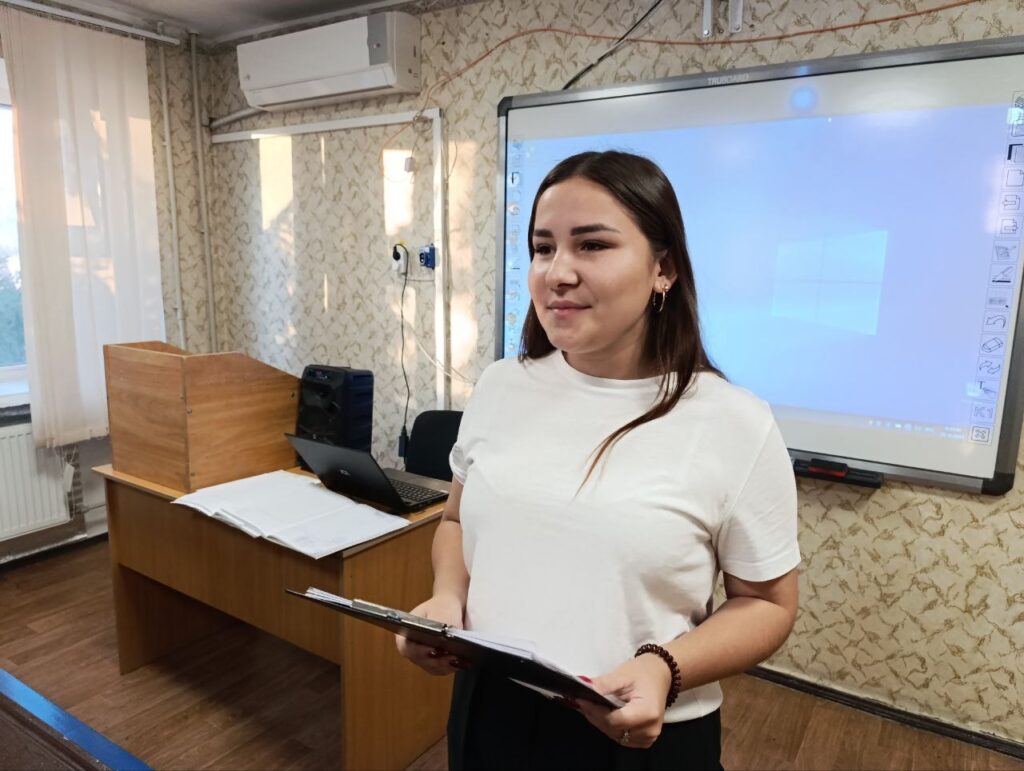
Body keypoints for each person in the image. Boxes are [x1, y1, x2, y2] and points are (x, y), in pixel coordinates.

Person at [396, 150, 800, 770]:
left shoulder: (733, 422)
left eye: (592, 245)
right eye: (543, 247)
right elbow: (455, 520)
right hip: (489, 707)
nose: (557, 272)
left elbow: (769, 605)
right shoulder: (501, 386)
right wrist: (447, 600)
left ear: (663, 267)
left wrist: (665, 666)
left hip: (636, 731)